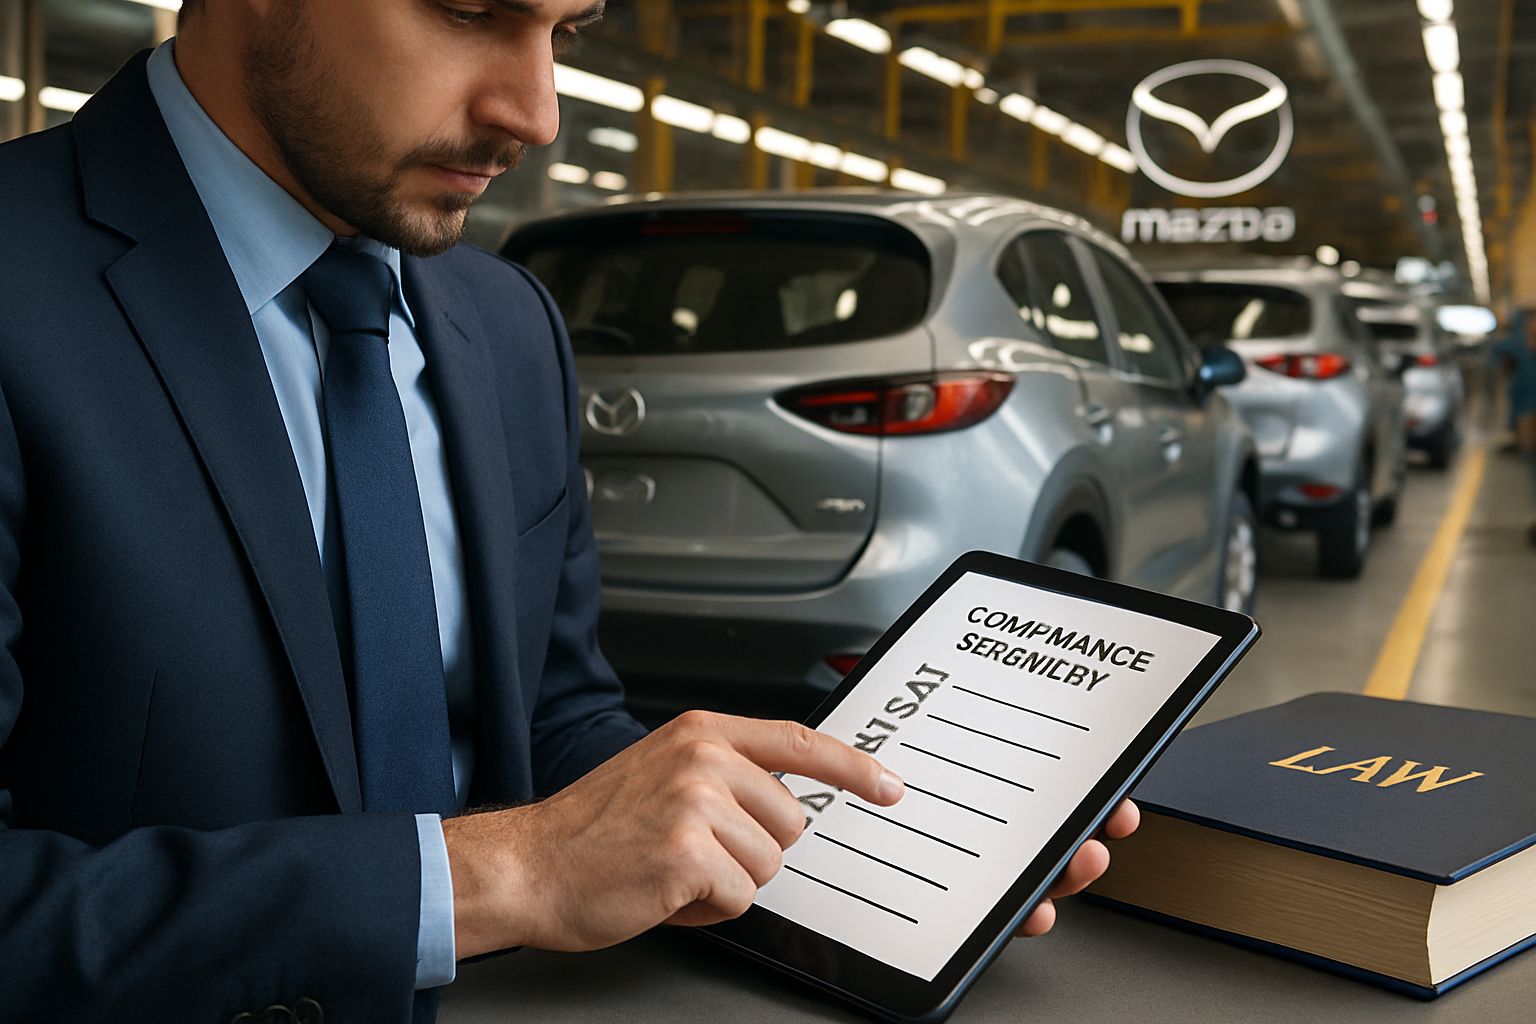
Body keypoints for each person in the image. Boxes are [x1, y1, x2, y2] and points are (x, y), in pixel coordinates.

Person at [0, 1, 1137, 1020]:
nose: (536, 111)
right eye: (470, 11)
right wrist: (506, 874)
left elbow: (549, 722)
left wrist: (818, 828)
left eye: (568, 31)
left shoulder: (502, 322)